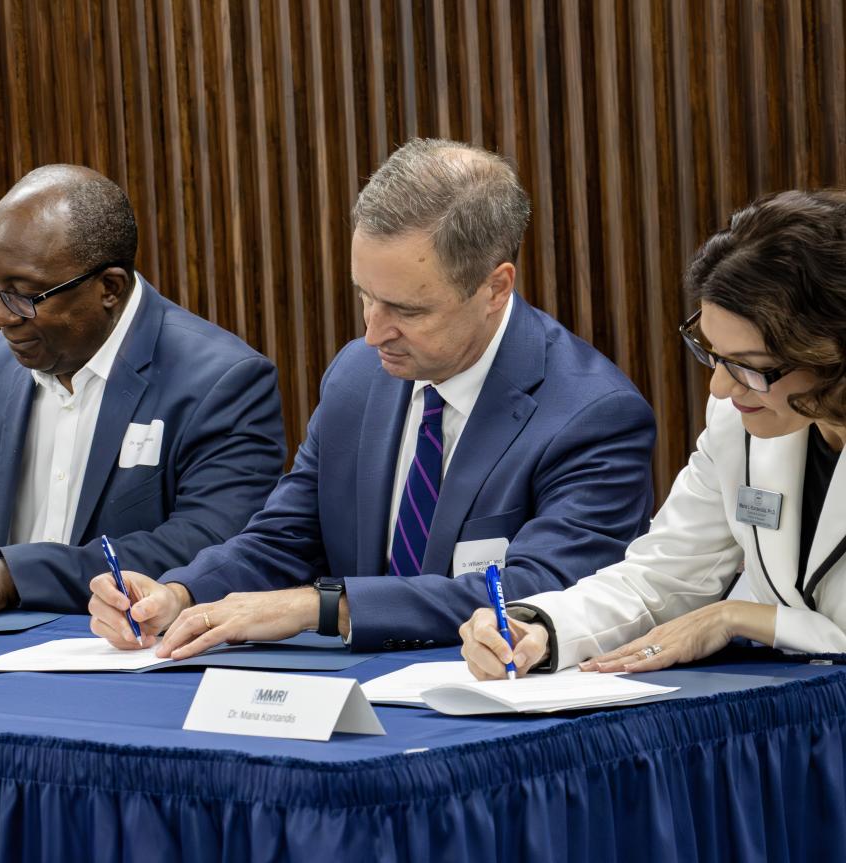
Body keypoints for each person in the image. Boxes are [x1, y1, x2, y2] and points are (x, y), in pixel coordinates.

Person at [89, 137, 656, 658]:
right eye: (366, 296)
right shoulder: (359, 375)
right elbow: (286, 534)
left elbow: (539, 591)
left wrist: (322, 606)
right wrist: (181, 593)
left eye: (408, 311)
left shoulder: (593, 414)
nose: (372, 332)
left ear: (495, 286)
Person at [0, 165, 285, 628]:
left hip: (122, 656)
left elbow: (206, 545)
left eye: (22, 295)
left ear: (109, 288)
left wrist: (14, 578)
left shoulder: (222, 381)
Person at [459, 189, 846, 680]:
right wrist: (539, 626)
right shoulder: (737, 419)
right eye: (712, 353)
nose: (720, 387)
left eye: (750, 368)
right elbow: (660, 577)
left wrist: (743, 618)